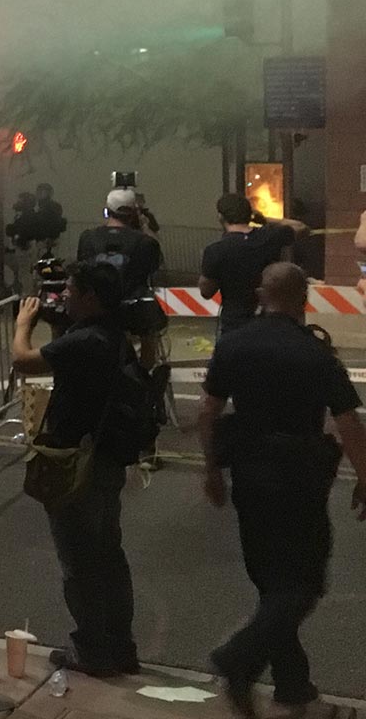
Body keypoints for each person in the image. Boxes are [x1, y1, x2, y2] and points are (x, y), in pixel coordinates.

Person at [198, 263, 366, 717]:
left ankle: (294, 688)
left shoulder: (233, 344)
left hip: (249, 476)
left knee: (272, 583)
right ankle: (237, 658)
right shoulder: (314, 354)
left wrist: (212, 470)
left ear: (260, 293)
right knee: (304, 584)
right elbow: (348, 422)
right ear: (303, 299)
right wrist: (365, 478)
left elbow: (208, 411)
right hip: (299, 479)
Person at [11, 260, 142, 677]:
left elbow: (24, 361)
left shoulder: (86, 340)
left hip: (77, 464)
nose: (62, 295)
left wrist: (23, 322)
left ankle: (90, 650)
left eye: (69, 289)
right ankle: (120, 646)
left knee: (80, 562)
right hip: (105, 459)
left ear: (90, 296)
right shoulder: (109, 335)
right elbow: (64, 362)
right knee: (108, 555)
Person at [199, 194, 308, 338]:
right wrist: (264, 219)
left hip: (235, 324)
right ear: (250, 215)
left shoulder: (216, 250)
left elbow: (206, 291)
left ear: (221, 217)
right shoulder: (270, 237)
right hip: (268, 319)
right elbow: (301, 227)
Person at [78, 188, 166, 365]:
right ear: (134, 213)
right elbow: (154, 267)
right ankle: (145, 376)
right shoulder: (144, 242)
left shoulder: (88, 238)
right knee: (151, 333)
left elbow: (82, 267)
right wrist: (144, 226)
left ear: (106, 211)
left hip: (95, 309)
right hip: (133, 310)